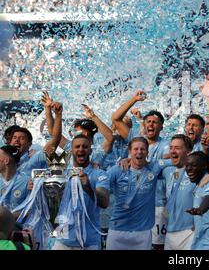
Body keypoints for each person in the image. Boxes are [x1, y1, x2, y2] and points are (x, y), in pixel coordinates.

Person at [112, 91, 170, 249]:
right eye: (148, 121)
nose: (151, 124)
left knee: (157, 246)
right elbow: (116, 119)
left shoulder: (166, 145)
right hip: (133, 206)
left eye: (155, 122)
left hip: (158, 205)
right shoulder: (135, 141)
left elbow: (169, 160)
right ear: (144, 125)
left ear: (161, 126)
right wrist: (134, 99)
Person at [106, 137, 169, 250]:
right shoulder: (118, 169)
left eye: (142, 149)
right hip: (117, 230)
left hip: (142, 233)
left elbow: (177, 160)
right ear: (129, 152)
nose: (139, 152)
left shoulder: (154, 167)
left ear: (147, 152)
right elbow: (100, 183)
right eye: (136, 149)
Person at [52, 134, 110, 250]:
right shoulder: (61, 174)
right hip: (63, 241)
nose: (81, 149)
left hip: (88, 242)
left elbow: (104, 202)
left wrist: (88, 187)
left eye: (85, 147)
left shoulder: (99, 174)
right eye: (77, 147)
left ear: (90, 150)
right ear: (71, 150)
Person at [9, 102, 63, 176]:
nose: (17, 140)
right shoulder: (4, 159)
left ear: (29, 144)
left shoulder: (35, 158)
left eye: (22, 138)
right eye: (14, 138)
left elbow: (55, 139)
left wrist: (58, 115)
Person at [0, 145, 29, 217]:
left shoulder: (27, 182)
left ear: (6, 161)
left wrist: (8, 218)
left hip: (19, 226)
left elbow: (32, 211)